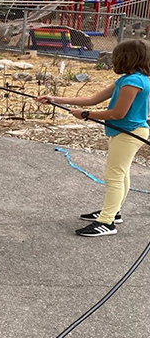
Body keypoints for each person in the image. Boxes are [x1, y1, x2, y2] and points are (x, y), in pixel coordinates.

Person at [37, 39, 150, 237]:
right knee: (121, 174)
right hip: (123, 131)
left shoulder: (133, 82)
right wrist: (55, 99)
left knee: (113, 175)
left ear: (125, 58)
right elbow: (92, 99)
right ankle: (113, 213)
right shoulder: (128, 79)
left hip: (129, 132)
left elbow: (118, 114)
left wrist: (87, 114)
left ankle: (107, 222)